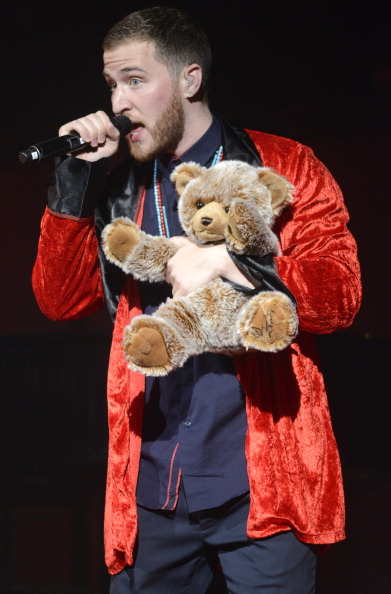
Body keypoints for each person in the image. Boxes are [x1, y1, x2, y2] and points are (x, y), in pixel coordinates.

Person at [32, 6, 361, 593]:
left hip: (260, 482)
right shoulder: (120, 187)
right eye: (112, 84)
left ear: (190, 79)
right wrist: (75, 183)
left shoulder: (283, 165)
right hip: (151, 484)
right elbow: (60, 300)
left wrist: (238, 265)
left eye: (135, 80)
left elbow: (341, 293)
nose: (119, 102)